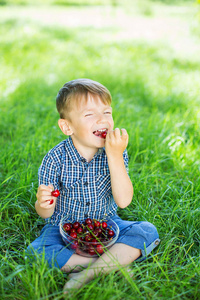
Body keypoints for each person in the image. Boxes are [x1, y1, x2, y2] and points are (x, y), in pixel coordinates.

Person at [27, 78, 160, 293]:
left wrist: (115, 156)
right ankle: (113, 264)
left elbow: (123, 201)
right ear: (67, 126)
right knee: (36, 253)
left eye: (107, 112)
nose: (102, 119)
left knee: (147, 231)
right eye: (90, 114)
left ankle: (85, 274)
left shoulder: (116, 152)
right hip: (62, 227)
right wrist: (43, 203)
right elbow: (45, 213)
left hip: (107, 224)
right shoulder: (54, 159)